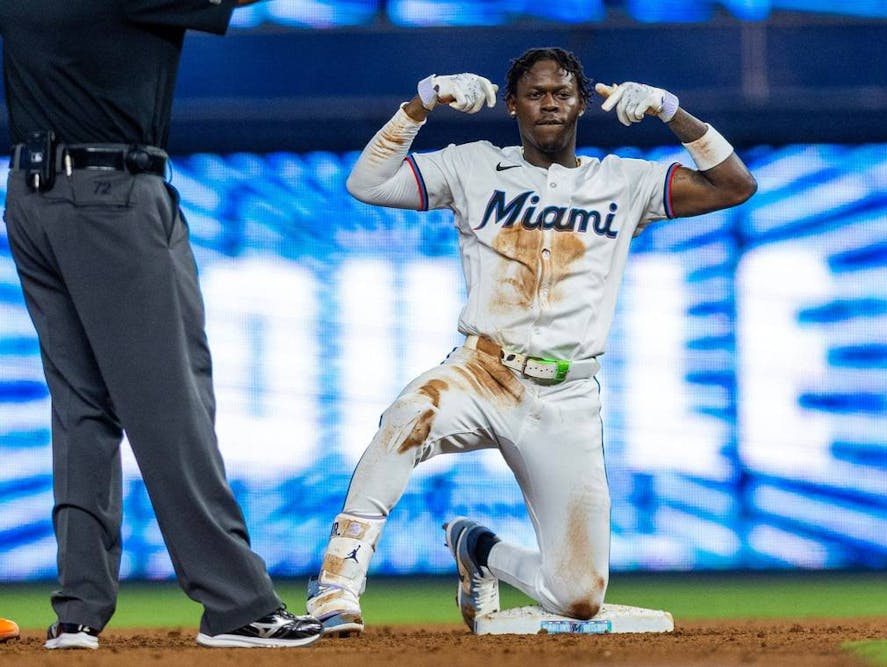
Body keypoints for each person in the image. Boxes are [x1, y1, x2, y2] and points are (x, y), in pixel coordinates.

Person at [306, 46, 756, 634]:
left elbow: (734, 185)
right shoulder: (471, 166)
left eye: (562, 92)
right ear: (512, 103)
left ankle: (481, 551)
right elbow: (367, 183)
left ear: (580, 104)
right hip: (482, 371)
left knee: (578, 600)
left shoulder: (623, 181)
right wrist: (421, 103)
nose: (549, 103)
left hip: (568, 396)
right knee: (407, 416)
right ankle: (337, 585)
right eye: (536, 93)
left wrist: (675, 114)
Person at [0, 1, 322, 650]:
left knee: (83, 406)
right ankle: (235, 602)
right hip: (111, 197)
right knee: (167, 400)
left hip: (31, 194)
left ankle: (79, 609)